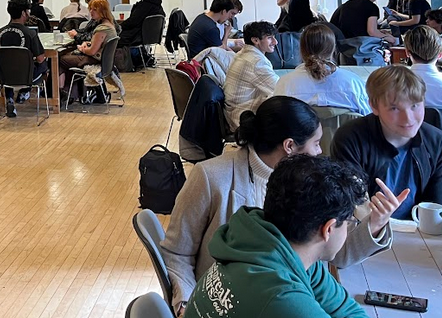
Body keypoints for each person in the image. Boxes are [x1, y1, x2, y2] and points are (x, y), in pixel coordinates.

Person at [163, 97, 394, 313]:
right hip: (228, 304)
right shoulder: (211, 176)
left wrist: (374, 225)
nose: (320, 151)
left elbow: (328, 252)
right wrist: (188, 305)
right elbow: (177, 251)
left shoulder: (310, 185)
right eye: (315, 143)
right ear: (290, 146)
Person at [182, 154, 371, 318]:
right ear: (328, 229)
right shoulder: (282, 298)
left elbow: (347, 310)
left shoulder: (264, 241)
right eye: (349, 222)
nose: (349, 227)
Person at [332, 65, 442, 219]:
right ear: (374, 106)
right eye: (394, 109)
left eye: (415, 106)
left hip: (420, 233)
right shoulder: (350, 138)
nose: (409, 119)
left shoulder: (439, 144)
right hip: (368, 229)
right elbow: (351, 208)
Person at [273, 23, 370, 116]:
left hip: (301, 133)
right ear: (333, 49)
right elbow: (369, 117)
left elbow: (277, 121)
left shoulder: (285, 84)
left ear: (301, 49)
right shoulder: (354, 83)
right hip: (345, 133)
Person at [0, 0, 50, 118]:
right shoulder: (30, 33)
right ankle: (25, 90)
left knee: (8, 66)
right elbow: (40, 59)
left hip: (4, 77)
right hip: (27, 76)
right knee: (45, 64)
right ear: (24, 12)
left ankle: (9, 99)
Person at [222, 21, 280, 131]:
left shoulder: (244, 53)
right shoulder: (256, 62)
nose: (275, 42)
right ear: (255, 40)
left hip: (234, 112)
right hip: (242, 119)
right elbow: (281, 89)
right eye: (269, 38)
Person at [59, 0, 116, 91]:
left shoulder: (102, 29)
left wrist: (82, 49)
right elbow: (97, 45)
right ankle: (70, 91)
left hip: (93, 59)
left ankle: (60, 92)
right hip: (103, 60)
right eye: (90, 9)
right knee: (68, 58)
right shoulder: (109, 25)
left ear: (102, 11)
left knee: (61, 60)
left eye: (94, 9)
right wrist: (88, 44)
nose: (91, 12)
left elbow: (92, 52)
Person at [333, 0, 397, 45]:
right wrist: (387, 37)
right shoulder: (372, 7)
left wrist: (379, 32)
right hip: (362, 44)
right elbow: (372, 32)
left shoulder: (346, 4)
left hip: (344, 43)